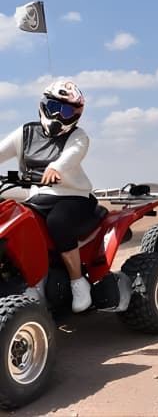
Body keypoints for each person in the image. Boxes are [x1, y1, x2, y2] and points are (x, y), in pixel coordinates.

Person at [0, 80, 96, 312]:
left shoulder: (79, 136)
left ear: (76, 113)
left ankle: (76, 281)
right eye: (53, 106)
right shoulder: (25, 133)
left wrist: (56, 168)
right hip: (39, 199)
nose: (57, 115)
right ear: (43, 104)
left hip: (75, 198)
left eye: (65, 110)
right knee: (13, 224)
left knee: (58, 222)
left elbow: (72, 155)